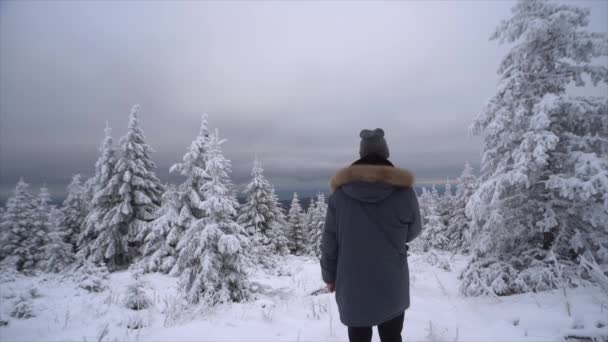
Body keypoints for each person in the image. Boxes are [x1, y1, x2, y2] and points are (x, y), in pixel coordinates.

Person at [321, 128, 422, 342]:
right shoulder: (404, 192)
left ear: (361, 154)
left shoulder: (340, 195)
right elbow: (414, 231)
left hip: (352, 283)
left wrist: (329, 276)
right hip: (391, 281)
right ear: (385, 153)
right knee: (392, 336)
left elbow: (329, 240)